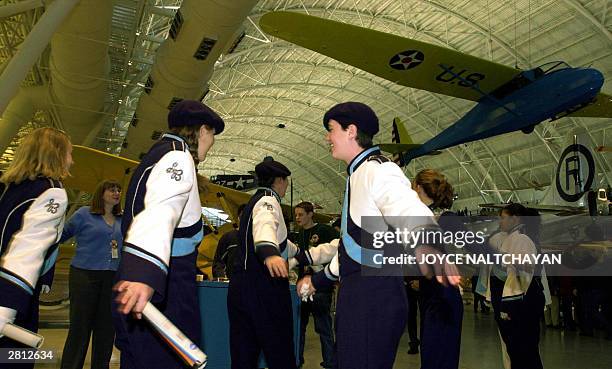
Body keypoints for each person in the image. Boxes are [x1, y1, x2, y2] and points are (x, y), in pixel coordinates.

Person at [297, 102, 460, 369]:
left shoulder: (377, 169)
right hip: (361, 294)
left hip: (372, 297)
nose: (327, 137)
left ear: (351, 131)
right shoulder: (358, 174)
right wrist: (318, 280)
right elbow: (354, 246)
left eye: (331, 129)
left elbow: (408, 207)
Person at [112, 100, 224, 369]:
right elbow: (160, 210)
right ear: (203, 130)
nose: (212, 143)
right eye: (213, 135)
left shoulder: (156, 154)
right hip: (166, 286)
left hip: (142, 280)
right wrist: (144, 274)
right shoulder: (178, 156)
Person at [0, 127, 73, 369]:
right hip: (14, 295)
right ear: (56, 155)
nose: (71, 161)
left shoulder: (10, 188)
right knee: (16, 359)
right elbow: (29, 248)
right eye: (69, 154)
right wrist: (7, 307)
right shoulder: (52, 192)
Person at [227, 159, 305, 369]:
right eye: (285, 180)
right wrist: (269, 252)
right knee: (279, 352)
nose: (286, 185)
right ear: (279, 180)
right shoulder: (268, 201)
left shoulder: (253, 201)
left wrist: (304, 255)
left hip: (240, 287)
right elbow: (265, 227)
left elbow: (282, 242)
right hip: (264, 288)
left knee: (244, 353)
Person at [60, 180, 123, 369]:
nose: (116, 192)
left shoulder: (123, 219)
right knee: (80, 326)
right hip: (84, 275)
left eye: (119, 190)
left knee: (106, 328)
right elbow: (62, 235)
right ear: (100, 193)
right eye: (112, 189)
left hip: (111, 277)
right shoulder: (83, 214)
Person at [479, 204, 546, 369]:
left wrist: (509, 305)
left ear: (515, 218)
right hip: (512, 303)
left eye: (503, 217)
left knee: (523, 351)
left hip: (518, 305)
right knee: (517, 351)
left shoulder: (521, 239)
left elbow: (523, 272)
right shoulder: (512, 238)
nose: (500, 222)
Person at [412, 169, 464, 369]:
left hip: (443, 299)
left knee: (440, 359)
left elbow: (475, 245)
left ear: (418, 188)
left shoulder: (445, 219)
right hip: (430, 297)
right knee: (431, 357)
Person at [294, 201, 338, 369]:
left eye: (301, 214)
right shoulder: (299, 234)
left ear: (310, 214)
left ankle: (330, 362)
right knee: (300, 326)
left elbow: (337, 253)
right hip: (302, 287)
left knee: (323, 327)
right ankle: (298, 359)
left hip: (320, 287)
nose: (298, 218)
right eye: (296, 215)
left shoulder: (324, 231)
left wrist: (325, 272)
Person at [212, 204, 246, 279]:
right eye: (242, 216)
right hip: (231, 284)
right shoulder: (228, 238)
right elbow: (218, 262)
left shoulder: (258, 238)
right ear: (238, 218)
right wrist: (221, 279)